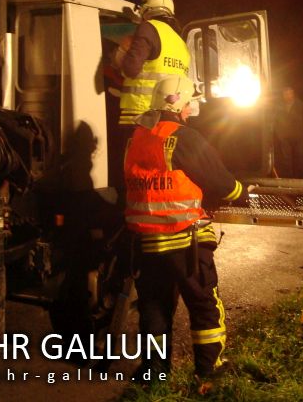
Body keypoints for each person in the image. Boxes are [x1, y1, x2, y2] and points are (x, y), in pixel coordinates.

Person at [124, 74, 246, 390]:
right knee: (204, 304)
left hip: (146, 243)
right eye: (190, 101)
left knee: (154, 308)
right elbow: (221, 183)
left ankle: (154, 374)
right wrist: (238, 192)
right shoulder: (183, 137)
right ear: (178, 102)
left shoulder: (134, 138)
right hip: (185, 240)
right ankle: (209, 372)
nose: (192, 108)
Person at [109, 0, 190, 187]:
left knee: (130, 174)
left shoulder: (148, 28)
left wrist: (122, 50)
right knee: (153, 174)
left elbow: (131, 69)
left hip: (137, 116)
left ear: (146, 10)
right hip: (168, 120)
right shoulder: (180, 42)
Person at [273, 85, 303, 178]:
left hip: (298, 137)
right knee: (286, 159)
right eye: (285, 93)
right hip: (284, 138)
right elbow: (274, 120)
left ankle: (302, 178)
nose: (287, 95)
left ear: (293, 93)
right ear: (283, 95)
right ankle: (288, 178)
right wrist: (279, 133)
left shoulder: (300, 105)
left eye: (289, 92)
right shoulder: (279, 106)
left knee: (300, 158)